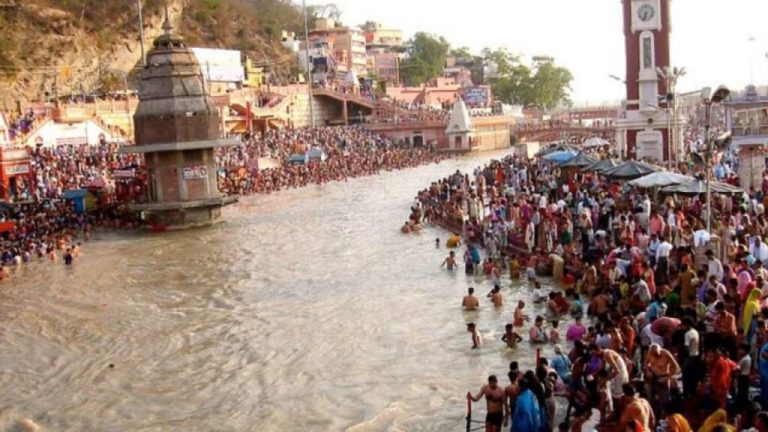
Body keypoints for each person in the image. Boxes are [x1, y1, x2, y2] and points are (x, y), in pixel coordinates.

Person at [643, 343, 680, 410]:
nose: (656, 355)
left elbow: (676, 367)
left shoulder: (665, 354)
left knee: (665, 400)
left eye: (657, 354)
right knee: (651, 397)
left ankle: (665, 415)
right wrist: (647, 371)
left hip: (663, 377)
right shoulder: (650, 353)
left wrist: (667, 378)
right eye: (654, 354)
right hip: (653, 377)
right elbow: (646, 363)